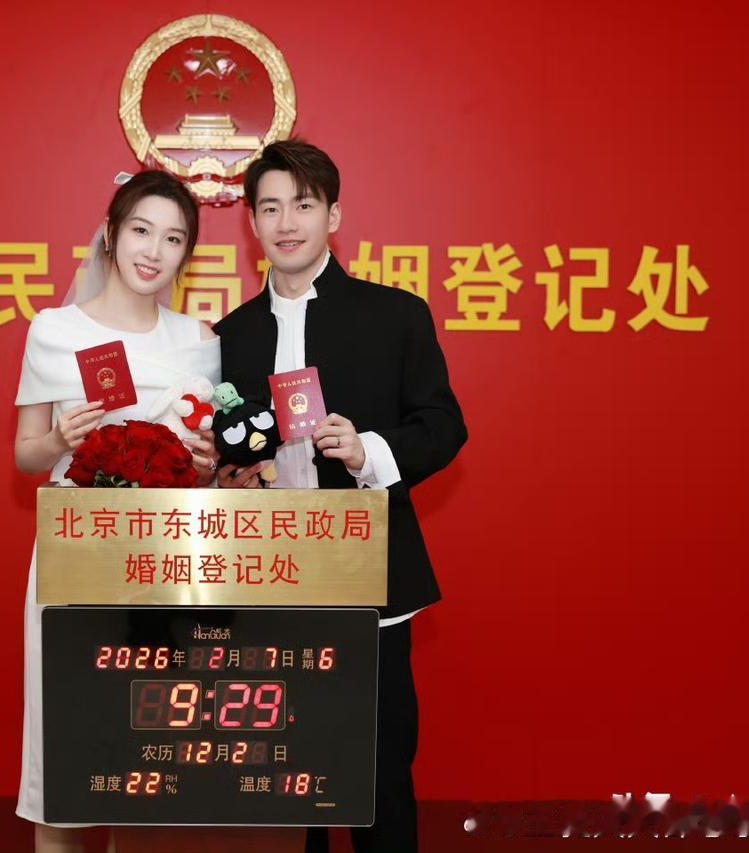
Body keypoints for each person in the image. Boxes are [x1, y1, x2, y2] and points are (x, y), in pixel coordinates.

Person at [214, 140, 467, 852]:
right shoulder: (229, 335)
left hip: (368, 576)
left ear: (333, 215)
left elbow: (444, 425)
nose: (286, 222)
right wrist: (227, 478)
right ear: (252, 224)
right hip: (266, 580)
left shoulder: (395, 315)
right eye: (270, 208)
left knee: (376, 773)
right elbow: (222, 448)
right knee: (276, 775)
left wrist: (368, 452)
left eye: (302, 204)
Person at [12, 170, 222, 852]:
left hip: (163, 564)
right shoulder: (54, 330)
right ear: (111, 233)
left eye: (173, 239)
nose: (153, 251)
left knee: (146, 756)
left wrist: (205, 463)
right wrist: (59, 441)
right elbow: (26, 454)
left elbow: (206, 464)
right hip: (77, 553)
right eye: (141, 230)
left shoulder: (199, 339)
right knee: (67, 744)